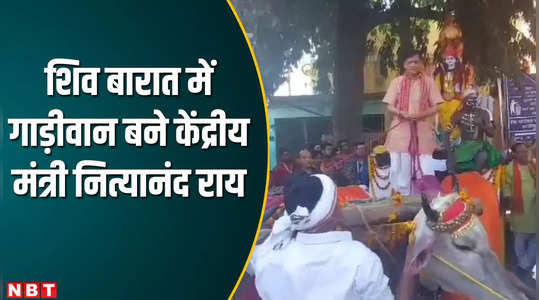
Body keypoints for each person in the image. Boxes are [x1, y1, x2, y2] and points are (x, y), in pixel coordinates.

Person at [248, 174, 394, 299]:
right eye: (337, 202)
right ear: (332, 213)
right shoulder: (360, 259)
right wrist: (407, 274)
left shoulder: (269, 254)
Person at [383, 51, 444, 196]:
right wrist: (401, 113)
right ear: (404, 65)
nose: (414, 65)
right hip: (401, 130)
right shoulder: (397, 82)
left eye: (417, 62)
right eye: (410, 62)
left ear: (422, 64)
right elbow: (389, 105)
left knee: (426, 168)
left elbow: (437, 105)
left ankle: (428, 202)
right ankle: (401, 202)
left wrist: (421, 114)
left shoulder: (429, 82)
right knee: (399, 167)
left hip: (422, 129)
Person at [503, 142, 536, 284]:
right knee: (520, 240)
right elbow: (507, 191)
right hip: (519, 212)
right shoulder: (509, 169)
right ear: (515, 154)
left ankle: (523, 266)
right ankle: (524, 267)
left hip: (535, 210)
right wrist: (508, 212)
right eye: (521, 152)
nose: (524, 154)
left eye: (525, 151)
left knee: (536, 238)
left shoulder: (533, 165)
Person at [451, 87, 502, 173]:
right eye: (470, 98)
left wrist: (485, 126)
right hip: (464, 145)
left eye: (475, 98)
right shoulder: (458, 114)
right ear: (464, 100)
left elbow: (491, 134)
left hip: (479, 146)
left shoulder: (484, 113)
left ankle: (476, 177)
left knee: (482, 156)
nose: (473, 101)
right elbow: (449, 130)